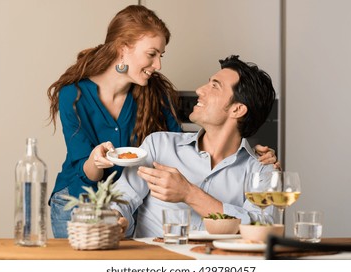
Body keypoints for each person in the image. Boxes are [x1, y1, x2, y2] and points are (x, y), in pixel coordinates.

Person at [47, 5, 277, 238]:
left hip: (128, 210)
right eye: (151, 54)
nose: (158, 65)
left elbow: (180, 150)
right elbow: (87, 170)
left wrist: (251, 153)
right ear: (123, 49)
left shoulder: (155, 95)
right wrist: (97, 164)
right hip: (81, 201)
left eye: (160, 55)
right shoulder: (74, 96)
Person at [112, 55, 277, 238]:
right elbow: (121, 199)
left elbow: (261, 227)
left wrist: (189, 194)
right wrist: (116, 219)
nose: (199, 90)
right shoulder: (159, 145)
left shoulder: (262, 170)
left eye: (215, 86)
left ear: (237, 109)